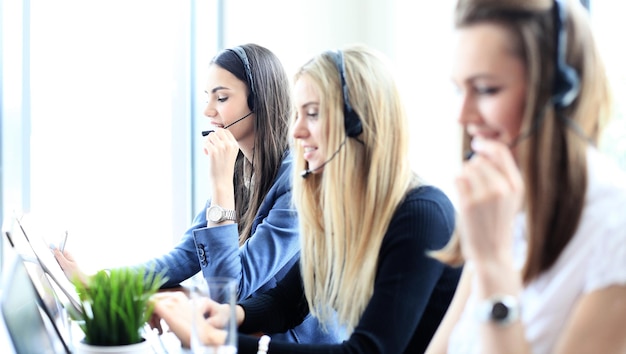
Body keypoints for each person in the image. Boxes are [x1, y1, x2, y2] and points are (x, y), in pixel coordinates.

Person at [151, 45, 463, 353]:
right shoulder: (346, 208)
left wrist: (220, 341)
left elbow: (367, 350)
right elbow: (289, 302)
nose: (297, 131)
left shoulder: (422, 214)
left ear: (359, 124)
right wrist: (226, 316)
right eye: (297, 114)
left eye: (312, 114)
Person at [53, 43, 341, 345]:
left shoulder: (298, 182)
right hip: (246, 335)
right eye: (207, 98)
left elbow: (228, 289)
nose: (208, 111)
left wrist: (220, 188)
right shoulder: (239, 170)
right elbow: (184, 257)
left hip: (287, 344)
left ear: (258, 102)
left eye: (222, 97)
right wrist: (105, 282)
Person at [425, 1, 626, 353]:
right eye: (459, 89)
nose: (461, 114)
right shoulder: (504, 202)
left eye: (486, 89)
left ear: (557, 92)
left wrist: (493, 265)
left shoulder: (614, 229)